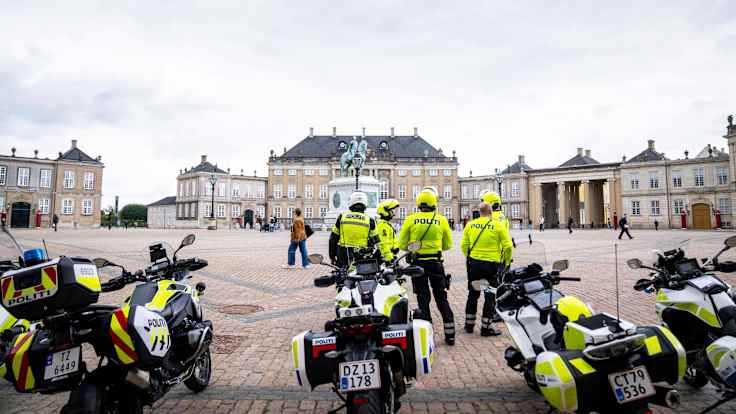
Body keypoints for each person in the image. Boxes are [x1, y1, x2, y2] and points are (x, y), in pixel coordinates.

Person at [398, 188, 455, 345]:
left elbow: (402, 244)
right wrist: (434, 246)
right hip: (436, 263)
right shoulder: (441, 220)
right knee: (441, 298)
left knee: (423, 299)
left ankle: (428, 334)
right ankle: (450, 334)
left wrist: (415, 246)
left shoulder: (411, 219)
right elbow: (448, 244)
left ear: (419, 204)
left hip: (418, 264)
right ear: (433, 203)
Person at [461, 202, 513, 337]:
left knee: (473, 294)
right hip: (492, 267)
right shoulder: (498, 226)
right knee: (490, 295)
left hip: (475, 266)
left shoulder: (471, 225)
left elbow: (464, 245)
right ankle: (486, 327)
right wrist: (506, 262)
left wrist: (471, 256)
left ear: (479, 212)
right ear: (490, 212)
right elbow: (508, 246)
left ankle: (469, 325)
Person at [329, 192, 379, 268]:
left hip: (343, 255)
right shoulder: (370, 220)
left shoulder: (342, 217)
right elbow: (376, 240)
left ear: (351, 203)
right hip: (362, 256)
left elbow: (333, 238)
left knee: (341, 277)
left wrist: (332, 256)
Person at [376, 199, 400, 264]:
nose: (393, 214)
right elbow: (383, 243)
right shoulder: (382, 225)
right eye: (391, 211)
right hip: (387, 259)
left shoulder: (385, 224)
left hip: (391, 256)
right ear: (385, 211)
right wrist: (390, 259)